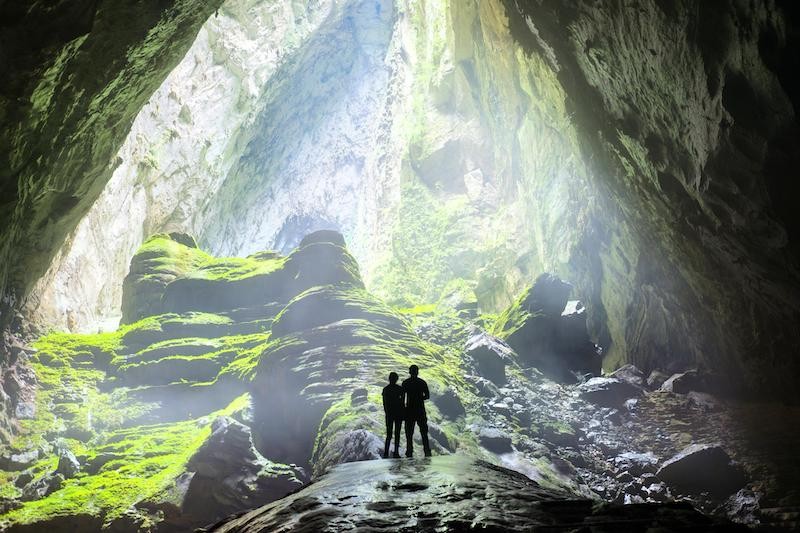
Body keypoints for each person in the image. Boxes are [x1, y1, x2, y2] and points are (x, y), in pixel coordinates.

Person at [402, 364, 431, 457]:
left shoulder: (406, 383)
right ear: (417, 372)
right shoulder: (422, 382)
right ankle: (427, 451)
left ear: (410, 372)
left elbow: (402, 398)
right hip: (420, 410)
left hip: (409, 410)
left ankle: (409, 451)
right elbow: (427, 396)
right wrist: (420, 398)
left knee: (409, 433)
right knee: (424, 432)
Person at [381, 371, 404, 458]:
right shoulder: (400, 389)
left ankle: (386, 453)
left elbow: (384, 403)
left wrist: (387, 413)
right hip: (398, 414)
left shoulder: (386, 389)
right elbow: (402, 402)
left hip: (389, 414)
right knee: (397, 434)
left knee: (389, 434)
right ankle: (396, 452)